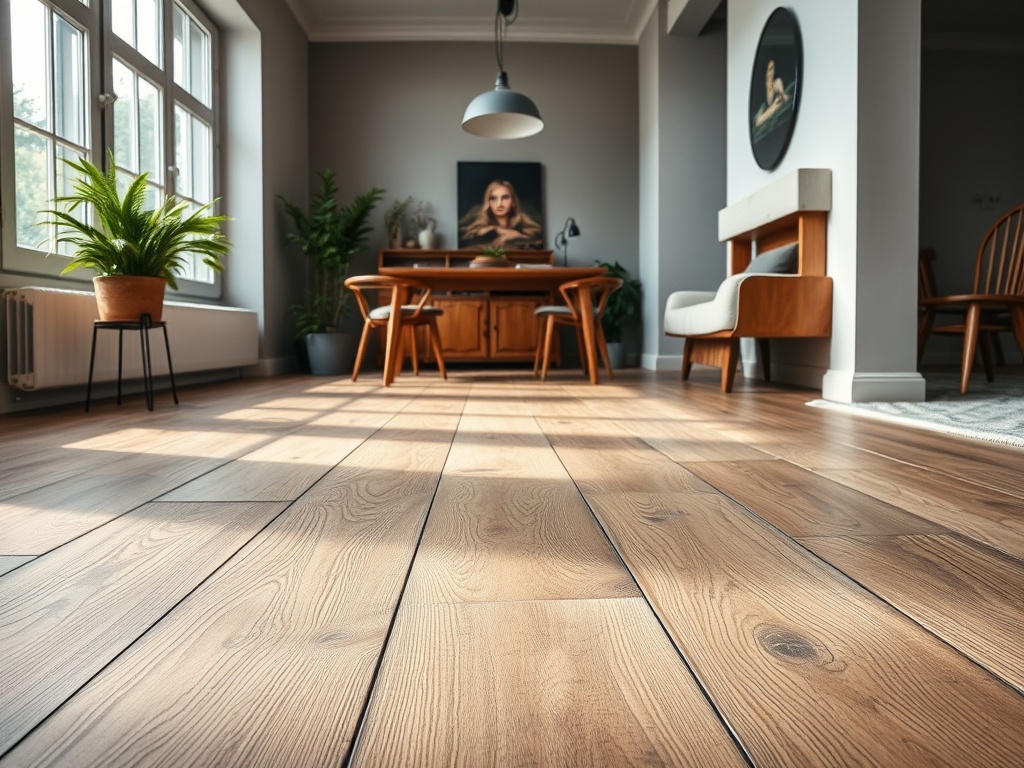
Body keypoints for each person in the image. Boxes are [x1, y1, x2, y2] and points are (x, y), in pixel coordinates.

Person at [459, 179, 542, 250]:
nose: (499, 204)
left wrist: (516, 235)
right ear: (488, 202)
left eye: (505, 198)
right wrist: (498, 231)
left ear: (513, 201)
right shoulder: (478, 232)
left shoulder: (528, 227)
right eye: (493, 198)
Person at [752, 59, 790, 130]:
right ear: (764, 72)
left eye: (772, 68)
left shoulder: (777, 83)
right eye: (769, 69)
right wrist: (774, 107)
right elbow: (757, 122)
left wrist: (783, 97)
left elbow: (786, 98)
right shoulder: (760, 95)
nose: (771, 72)